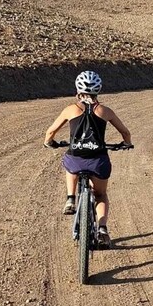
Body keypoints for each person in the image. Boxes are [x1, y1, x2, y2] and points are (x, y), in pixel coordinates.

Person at [43, 70, 132, 249]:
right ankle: (102, 229)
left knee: (70, 162)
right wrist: (126, 143)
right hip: (98, 161)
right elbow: (125, 132)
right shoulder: (105, 111)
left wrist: (49, 142)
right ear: (98, 90)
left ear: (78, 89)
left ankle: (70, 198)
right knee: (100, 194)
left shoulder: (70, 109)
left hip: (76, 159)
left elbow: (50, 132)